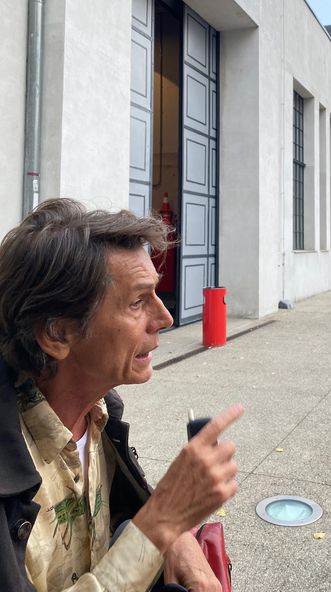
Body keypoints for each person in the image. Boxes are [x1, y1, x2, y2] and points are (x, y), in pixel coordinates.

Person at [0, 198, 243, 592]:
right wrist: (161, 522)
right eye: (137, 302)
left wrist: (177, 539)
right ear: (58, 333)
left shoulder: (100, 414)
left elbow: (122, 510)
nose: (165, 318)